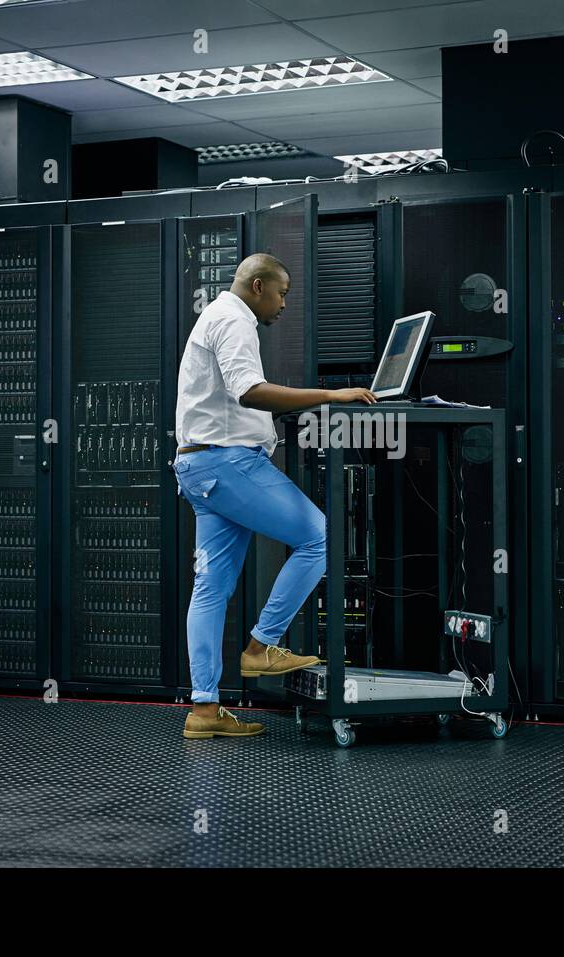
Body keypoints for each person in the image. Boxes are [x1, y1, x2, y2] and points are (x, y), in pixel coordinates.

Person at [173, 252, 376, 739]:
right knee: (318, 537)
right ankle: (262, 646)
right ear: (258, 285)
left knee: (211, 589)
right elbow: (250, 391)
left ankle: (203, 711)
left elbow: (235, 399)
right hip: (227, 463)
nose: (285, 304)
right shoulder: (235, 319)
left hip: (199, 467)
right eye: (282, 293)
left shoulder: (216, 316)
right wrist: (333, 395)